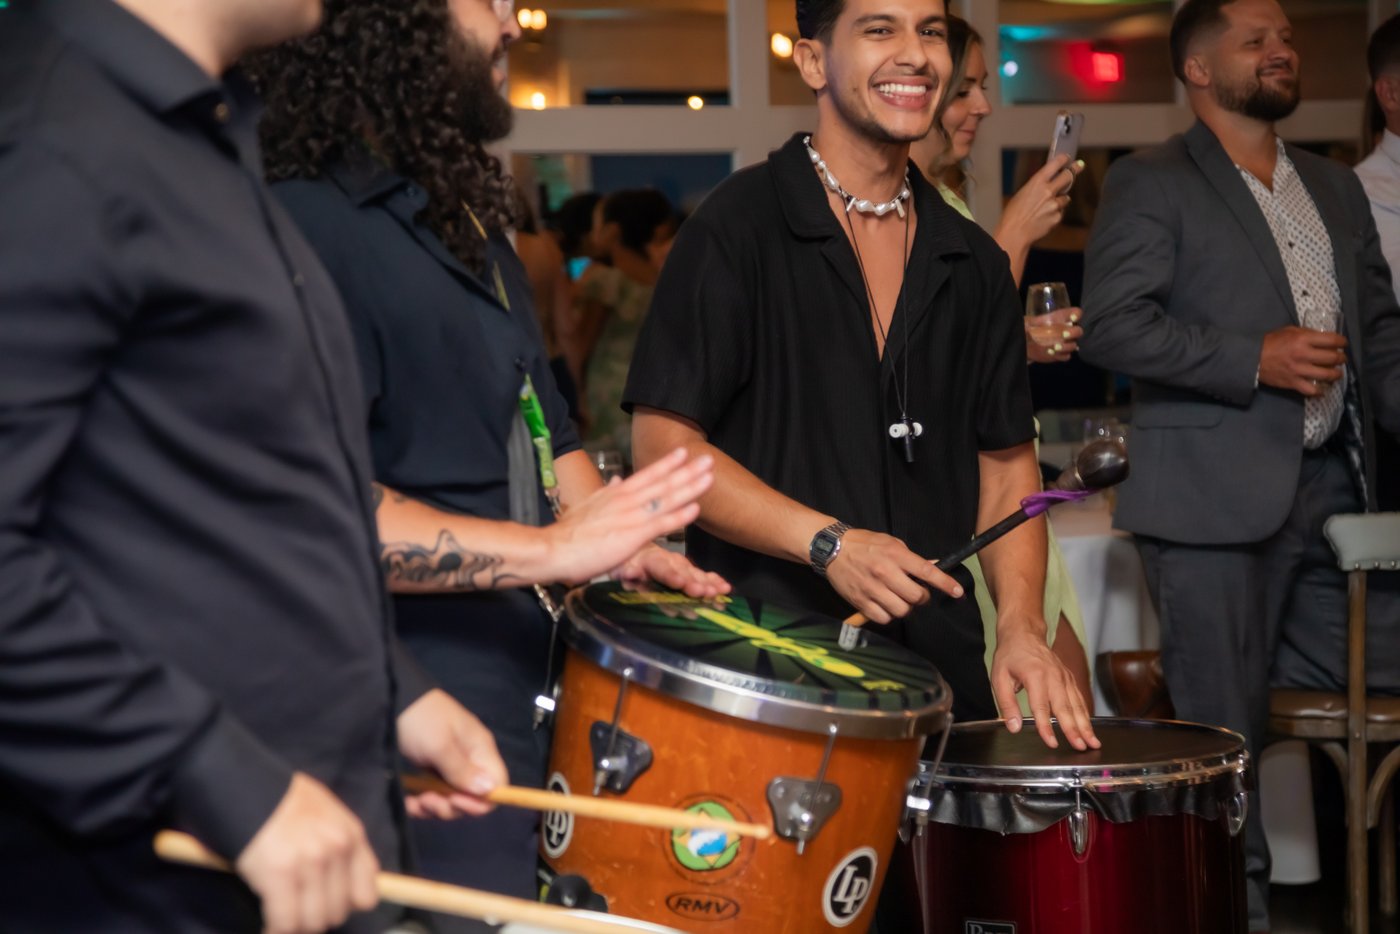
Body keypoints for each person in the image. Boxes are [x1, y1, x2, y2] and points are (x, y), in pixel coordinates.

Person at [0, 1, 517, 931]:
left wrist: (393, 693)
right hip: (145, 881)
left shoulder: (198, 132)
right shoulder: (48, 135)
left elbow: (221, 513)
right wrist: (220, 776)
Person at [247, 0, 729, 911]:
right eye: (490, 0)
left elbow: (550, 432)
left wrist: (617, 540)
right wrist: (555, 552)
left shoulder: (467, 219)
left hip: (529, 700)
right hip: (404, 725)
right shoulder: (304, 221)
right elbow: (307, 513)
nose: (514, 24)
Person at [626, 0, 1099, 757]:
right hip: (773, 671)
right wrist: (829, 545)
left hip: (942, 684)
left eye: (931, 32)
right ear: (814, 61)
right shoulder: (737, 227)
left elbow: (1007, 466)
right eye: (880, 29)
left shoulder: (972, 261)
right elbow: (661, 447)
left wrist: (1019, 628)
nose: (915, 54)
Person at [1077, 1, 1400, 928]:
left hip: (1339, 499)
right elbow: (1114, 325)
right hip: (1211, 508)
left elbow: (1378, 341)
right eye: (1256, 41)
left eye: (1287, 37)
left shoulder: (1335, 190)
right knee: (1228, 750)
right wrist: (1251, 357)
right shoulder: (1152, 180)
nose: (1283, 51)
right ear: (1200, 71)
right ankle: (1235, 917)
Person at [909, 14, 1092, 708]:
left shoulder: (949, 201)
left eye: (981, 88)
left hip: (1016, 499)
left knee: (1069, 707)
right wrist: (1011, 236)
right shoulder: (904, 215)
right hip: (972, 511)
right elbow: (935, 364)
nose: (982, 106)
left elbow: (973, 343)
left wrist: (1021, 341)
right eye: (965, 90)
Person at [575, 188, 677, 458]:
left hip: (606, 385)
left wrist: (575, 392)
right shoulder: (664, 278)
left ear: (613, 231)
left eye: (598, 225)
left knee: (605, 463)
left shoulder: (605, 280)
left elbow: (582, 342)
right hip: (651, 384)